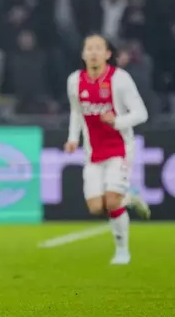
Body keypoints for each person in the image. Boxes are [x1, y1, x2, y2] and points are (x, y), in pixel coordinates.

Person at [64, 34, 151, 265]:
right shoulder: (75, 81)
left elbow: (142, 113)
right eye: (89, 48)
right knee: (95, 207)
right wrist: (73, 138)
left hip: (119, 149)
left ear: (107, 54)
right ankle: (130, 199)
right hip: (92, 154)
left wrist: (117, 121)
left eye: (98, 48)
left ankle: (122, 251)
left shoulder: (119, 79)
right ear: (83, 54)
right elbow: (76, 111)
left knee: (111, 202)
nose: (93, 52)